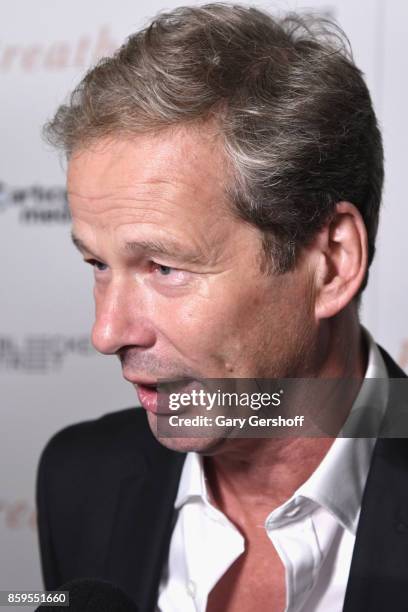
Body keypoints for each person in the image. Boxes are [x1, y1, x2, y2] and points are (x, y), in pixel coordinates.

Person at [36, 4, 408, 611]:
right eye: (98, 265)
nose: (106, 332)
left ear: (332, 262)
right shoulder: (78, 478)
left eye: (164, 267)